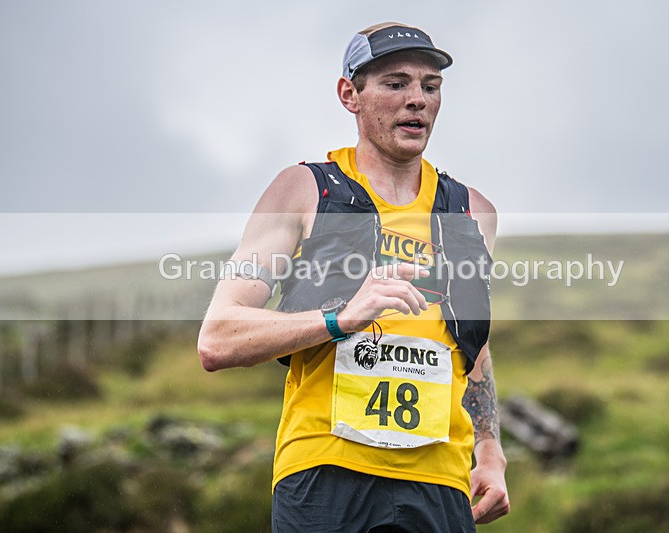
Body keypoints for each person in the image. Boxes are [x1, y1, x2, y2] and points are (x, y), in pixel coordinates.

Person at [198, 22, 509, 532]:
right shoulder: (304, 190)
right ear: (350, 95)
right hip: (326, 470)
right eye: (395, 83)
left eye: (430, 87)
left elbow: (468, 340)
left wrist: (490, 448)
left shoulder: (472, 211)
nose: (417, 100)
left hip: (440, 481)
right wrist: (340, 318)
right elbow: (218, 336)